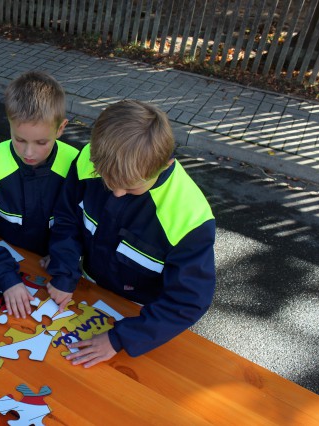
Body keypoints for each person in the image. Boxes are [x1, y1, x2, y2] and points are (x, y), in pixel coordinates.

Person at [47, 100, 216, 367]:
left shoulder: (189, 217)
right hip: (88, 290)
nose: (116, 193)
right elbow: (67, 218)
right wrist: (64, 272)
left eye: (130, 188)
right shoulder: (89, 159)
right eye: (106, 180)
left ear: (166, 163)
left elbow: (188, 301)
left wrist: (120, 339)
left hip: (141, 318)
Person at [0, 71, 79, 319]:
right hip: (6, 262)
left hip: (59, 273)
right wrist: (6, 278)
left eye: (41, 142)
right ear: (9, 123)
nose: (29, 152)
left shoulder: (77, 166)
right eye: (19, 139)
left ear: (61, 128)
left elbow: (86, 225)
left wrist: (65, 262)